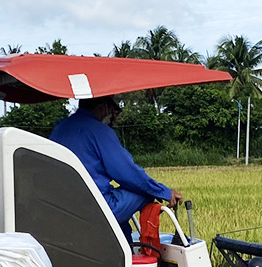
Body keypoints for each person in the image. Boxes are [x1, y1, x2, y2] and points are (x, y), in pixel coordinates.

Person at [49, 95, 183, 231]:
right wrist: (163, 192)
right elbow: (128, 175)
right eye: (112, 112)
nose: (112, 120)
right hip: (97, 208)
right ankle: (131, 245)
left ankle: (123, 239)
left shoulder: (59, 128)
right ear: (103, 107)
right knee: (145, 192)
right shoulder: (99, 131)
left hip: (60, 205)